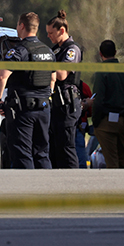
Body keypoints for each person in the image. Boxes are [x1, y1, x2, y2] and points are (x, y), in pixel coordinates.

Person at [0, 12, 55, 169]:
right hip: (44, 108)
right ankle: (46, 189)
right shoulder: (48, 51)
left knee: (23, 153)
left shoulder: (19, 51)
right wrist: (47, 96)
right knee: (42, 152)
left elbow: (2, 77)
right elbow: (53, 79)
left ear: (21, 26)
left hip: (23, 109)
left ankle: (28, 190)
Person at [46, 10, 83, 169]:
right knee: (56, 147)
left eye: (51, 33)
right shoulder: (55, 50)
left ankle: (73, 182)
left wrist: (46, 66)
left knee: (67, 147)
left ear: (62, 30)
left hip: (68, 104)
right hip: (57, 104)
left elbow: (61, 75)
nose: (49, 36)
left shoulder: (72, 49)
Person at [90, 39, 124, 169]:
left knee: (111, 161)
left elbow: (99, 99)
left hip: (107, 121)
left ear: (100, 53)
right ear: (115, 52)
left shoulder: (102, 71)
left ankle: (115, 188)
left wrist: (96, 121)